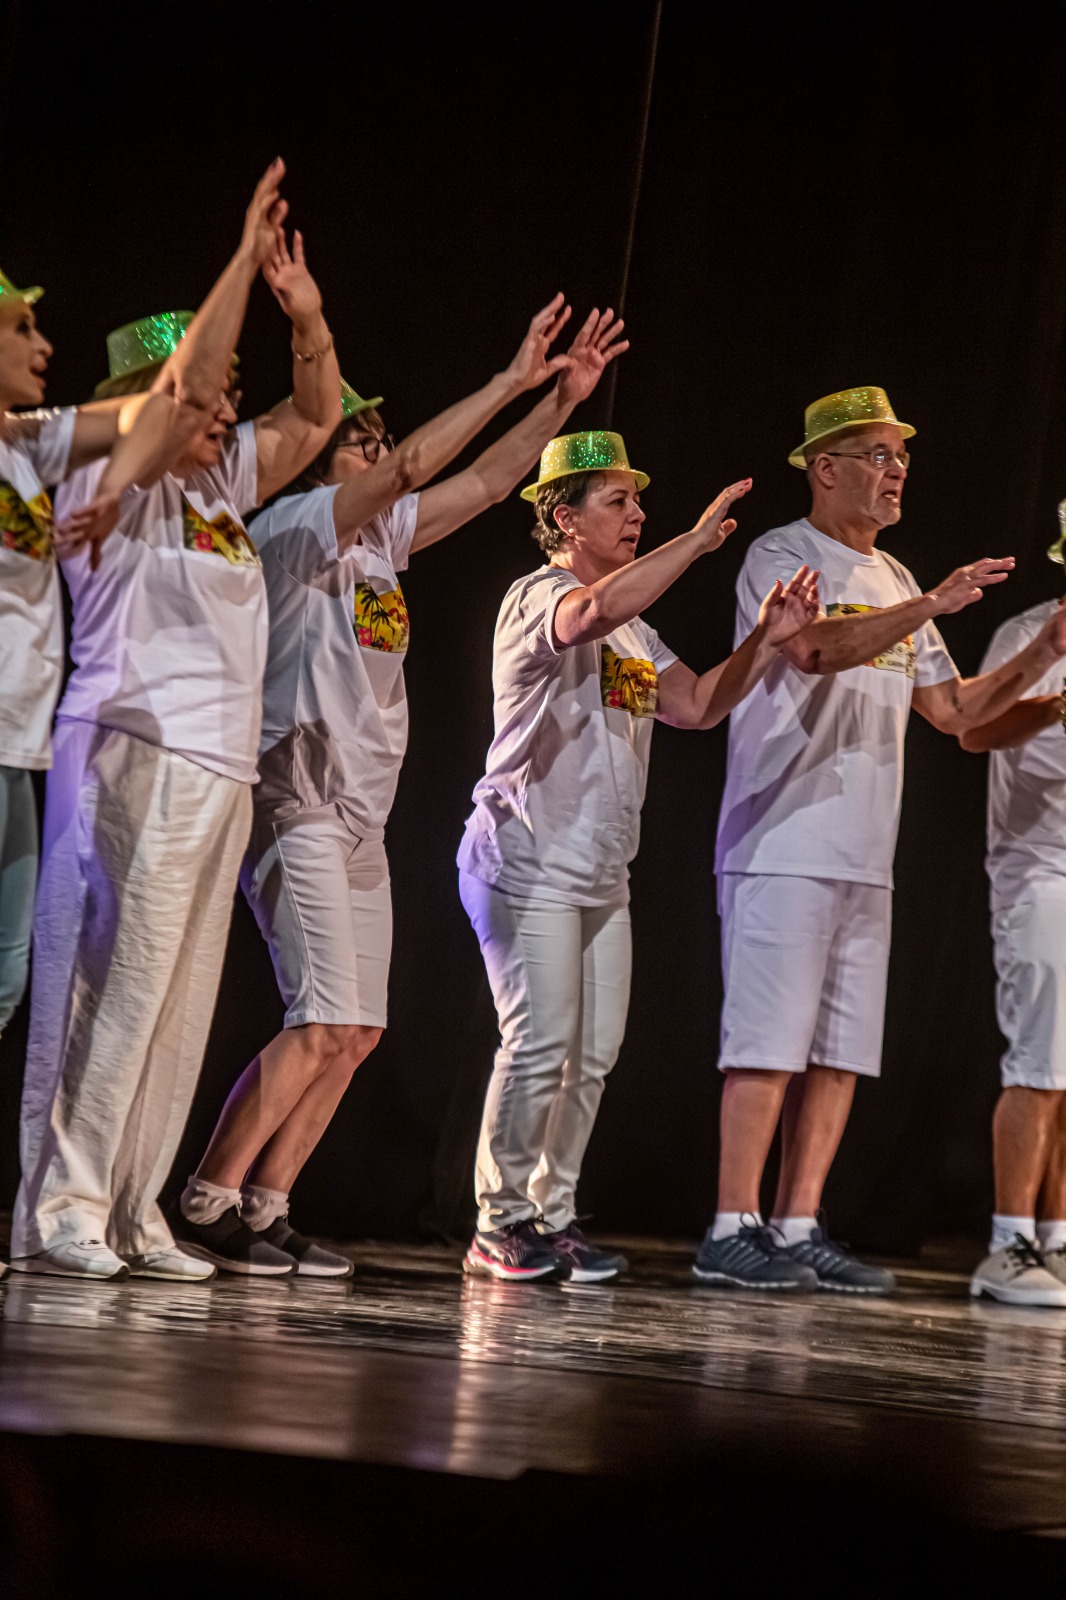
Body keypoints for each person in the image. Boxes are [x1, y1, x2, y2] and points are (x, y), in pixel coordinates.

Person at [176, 303, 630, 1277]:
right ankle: (208, 1198)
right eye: (363, 439)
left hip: (361, 818)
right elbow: (422, 465)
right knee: (319, 1020)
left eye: (383, 433)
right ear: (324, 458)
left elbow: (496, 478)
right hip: (297, 795)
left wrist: (561, 400)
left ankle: (269, 1204)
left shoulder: (382, 547)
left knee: (360, 1029)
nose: (382, 449)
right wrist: (513, 377)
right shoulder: (297, 526)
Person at [11, 161, 344, 1282]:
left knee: (180, 993)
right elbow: (173, 397)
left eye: (218, 397)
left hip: (218, 765)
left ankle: (132, 1204)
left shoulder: (217, 493)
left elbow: (315, 418)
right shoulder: (115, 473)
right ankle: (62, 1200)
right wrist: (242, 262)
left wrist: (305, 318)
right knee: (108, 978)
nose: (217, 409)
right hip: (130, 741)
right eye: (198, 395)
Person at [699, 386, 1066, 1295]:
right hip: (782, 838)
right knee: (767, 1046)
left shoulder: (898, 579)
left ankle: (794, 1224)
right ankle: (729, 1226)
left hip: (867, 851)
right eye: (877, 454)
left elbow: (954, 711)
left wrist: (1043, 653)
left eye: (901, 456)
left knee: (839, 1051)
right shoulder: (781, 552)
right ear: (825, 469)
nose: (896, 470)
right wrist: (934, 603)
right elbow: (814, 650)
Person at [458, 430, 821, 1282]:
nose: (638, 514)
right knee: (540, 1043)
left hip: (599, 872)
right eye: (618, 502)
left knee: (591, 1055)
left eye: (637, 502)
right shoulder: (536, 598)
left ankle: (549, 1215)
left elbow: (695, 704)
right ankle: (498, 1221)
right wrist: (694, 542)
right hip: (528, 858)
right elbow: (590, 613)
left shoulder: (635, 632)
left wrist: (765, 640)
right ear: (562, 517)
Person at [0, 268, 209, 1049]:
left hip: (18, 744)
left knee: (4, 979)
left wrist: (245, 265)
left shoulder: (25, 442)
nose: (43, 344)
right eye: (21, 327)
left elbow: (170, 403)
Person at [963, 506, 1066, 1307]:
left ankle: (1055, 1240)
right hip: (1042, 869)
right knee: (1038, 1062)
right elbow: (977, 730)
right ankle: (1007, 1243)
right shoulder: (1033, 634)